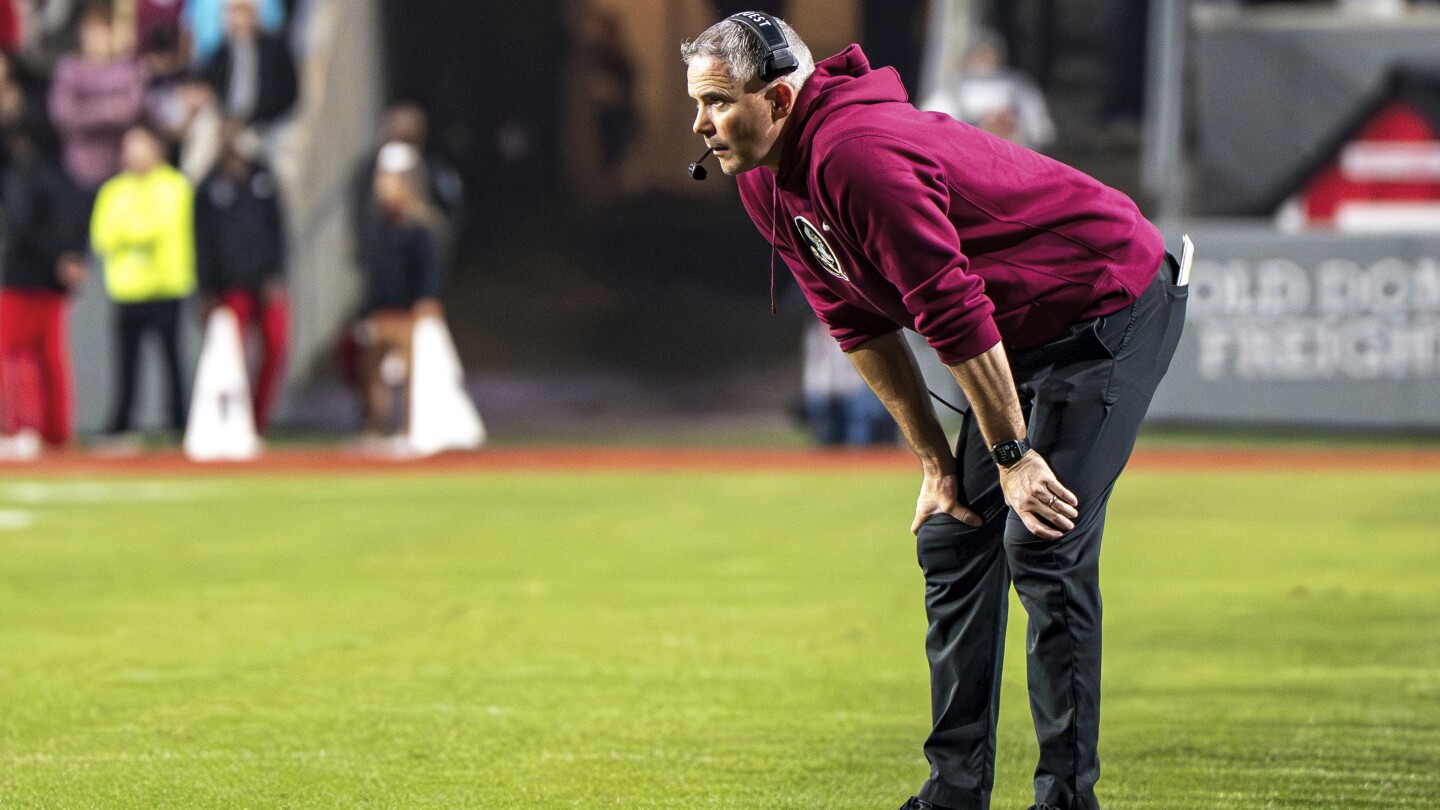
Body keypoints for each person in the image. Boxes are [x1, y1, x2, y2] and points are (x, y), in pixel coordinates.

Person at [681, 13, 1189, 810]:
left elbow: (954, 313)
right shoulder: (762, 178)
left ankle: (1066, 799)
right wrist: (935, 464)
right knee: (953, 534)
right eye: (698, 104)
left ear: (778, 100)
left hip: (1107, 304)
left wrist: (1014, 459)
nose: (700, 124)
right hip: (1019, 335)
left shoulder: (857, 156)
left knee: (1044, 539)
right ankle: (954, 795)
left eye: (716, 102)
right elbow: (857, 322)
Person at [91, 124, 196, 437]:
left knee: (172, 360)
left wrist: (129, 230)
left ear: (156, 149)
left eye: (140, 145)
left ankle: (178, 421)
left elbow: (161, 226)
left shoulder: (175, 186)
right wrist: (137, 230)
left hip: (166, 286)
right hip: (127, 288)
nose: (133, 153)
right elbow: (102, 235)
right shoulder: (113, 190)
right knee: (126, 364)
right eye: (129, 147)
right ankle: (122, 423)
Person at [194, 123, 287, 432]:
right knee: (229, 356)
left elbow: (279, 231)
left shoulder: (263, 179)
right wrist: (206, 289)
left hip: (265, 281)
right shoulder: (209, 186)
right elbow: (202, 243)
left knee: (276, 346)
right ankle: (233, 420)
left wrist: (277, 273)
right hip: (229, 286)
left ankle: (258, 418)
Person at [0, 123, 87, 450]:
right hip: (53, 283)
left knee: (12, 353)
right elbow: (78, 223)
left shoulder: (22, 175)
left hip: (23, 280)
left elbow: (21, 225)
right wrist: (68, 258)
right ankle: (57, 432)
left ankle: (20, 427)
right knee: (51, 357)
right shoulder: (66, 178)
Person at [355, 141, 443, 442]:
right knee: (372, 374)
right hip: (382, 311)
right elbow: (374, 275)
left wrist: (426, 300)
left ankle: (410, 428)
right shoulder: (378, 226)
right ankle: (374, 427)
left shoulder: (420, 228)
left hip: (408, 314)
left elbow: (428, 271)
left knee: (411, 377)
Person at [47, 4, 146, 207]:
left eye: (103, 32)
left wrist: (87, 111)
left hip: (122, 172)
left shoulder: (127, 67)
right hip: (79, 172)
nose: (98, 39)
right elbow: (64, 115)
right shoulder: (70, 68)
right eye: (92, 33)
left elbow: (133, 109)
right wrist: (108, 109)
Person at [921, 29, 1055, 152]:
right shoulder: (951, 92)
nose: (987, 59)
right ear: (969, 56)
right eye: (981, 54)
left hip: (1014, 160)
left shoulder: (1018, 85)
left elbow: (1042, 134)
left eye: (991, 53)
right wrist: (979, 126)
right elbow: (928, 134)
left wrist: (1012, 126)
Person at [199, 0, 297, 129]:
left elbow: (288, 91)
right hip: (231, 124)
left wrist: (258, 119)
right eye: (232, 14)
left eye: (241, 13)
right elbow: (211, 88)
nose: (236, 19)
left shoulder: (273, 48)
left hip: (269, 122)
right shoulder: (222, 54)